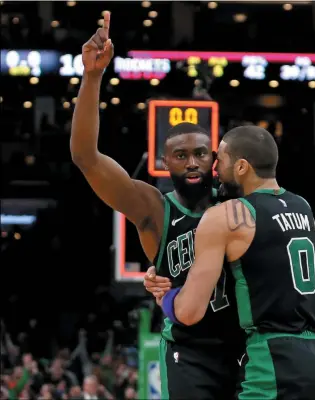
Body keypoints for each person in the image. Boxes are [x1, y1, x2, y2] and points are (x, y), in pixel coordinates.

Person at [70, 12, 243, 400]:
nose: (193, 161)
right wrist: (93, 76)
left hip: (245, 346)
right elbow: (85, 156)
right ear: (165, 164)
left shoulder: (236, 201)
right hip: (190, 351)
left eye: (201, 153)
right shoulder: (154, 207)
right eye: (181, 155)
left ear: (214, 159)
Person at [158, 125, 315, 399]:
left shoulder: (228, 214)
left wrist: (165, 296)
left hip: (273, 359)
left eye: (220, 160)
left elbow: (189, 313)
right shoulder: (303, 207)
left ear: (242, 167)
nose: (214, 169)